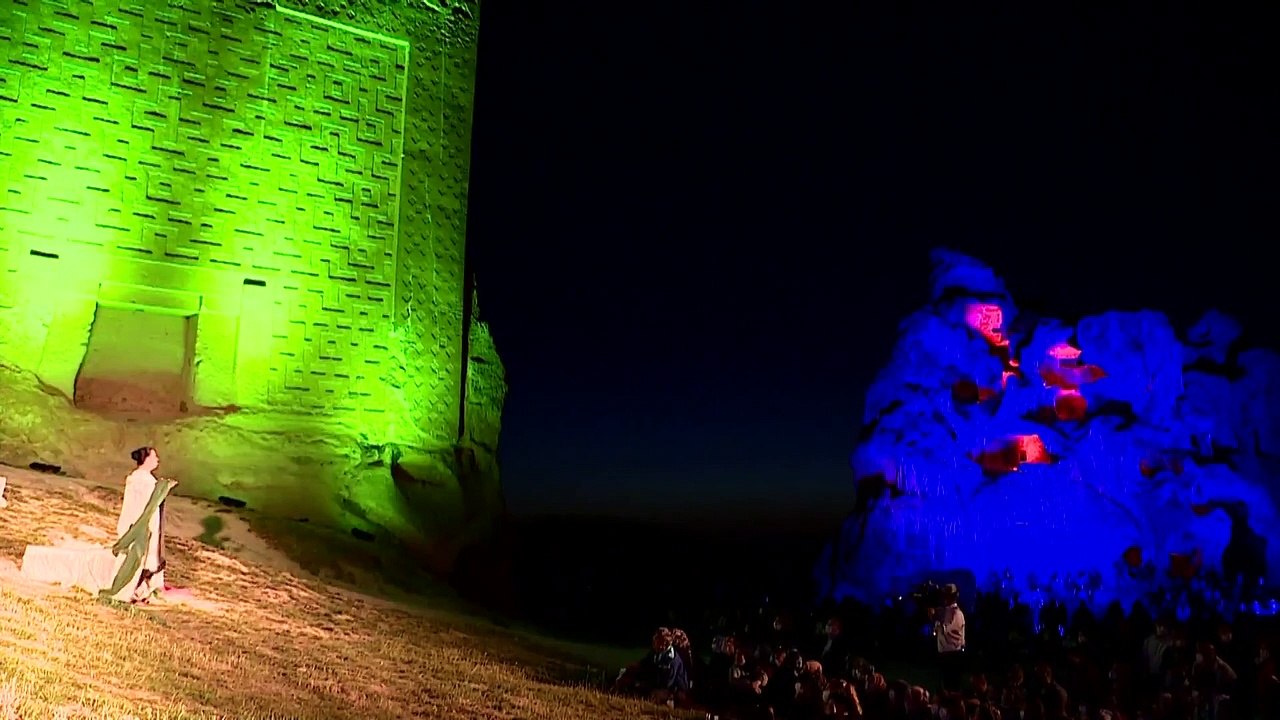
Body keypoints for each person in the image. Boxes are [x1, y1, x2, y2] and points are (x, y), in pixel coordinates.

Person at [103, 447, 176, 604]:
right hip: (139, 524)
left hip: (144, 523)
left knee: (144, 559)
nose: (158, 459)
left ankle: (141, 590)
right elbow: (142, 505)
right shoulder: (142, 480)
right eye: (154, 456)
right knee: (134, 557)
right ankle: (122, 590)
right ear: (146, 459)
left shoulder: (142, 478)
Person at [930, 583, 967, 692]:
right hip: (946, 654)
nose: (944, 598)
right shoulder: (945, 611)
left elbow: (944, 629)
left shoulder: (957, 613)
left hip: (953, 655)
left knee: (952, 687)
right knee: (945, 685)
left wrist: (935, 618)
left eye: (947, 595)